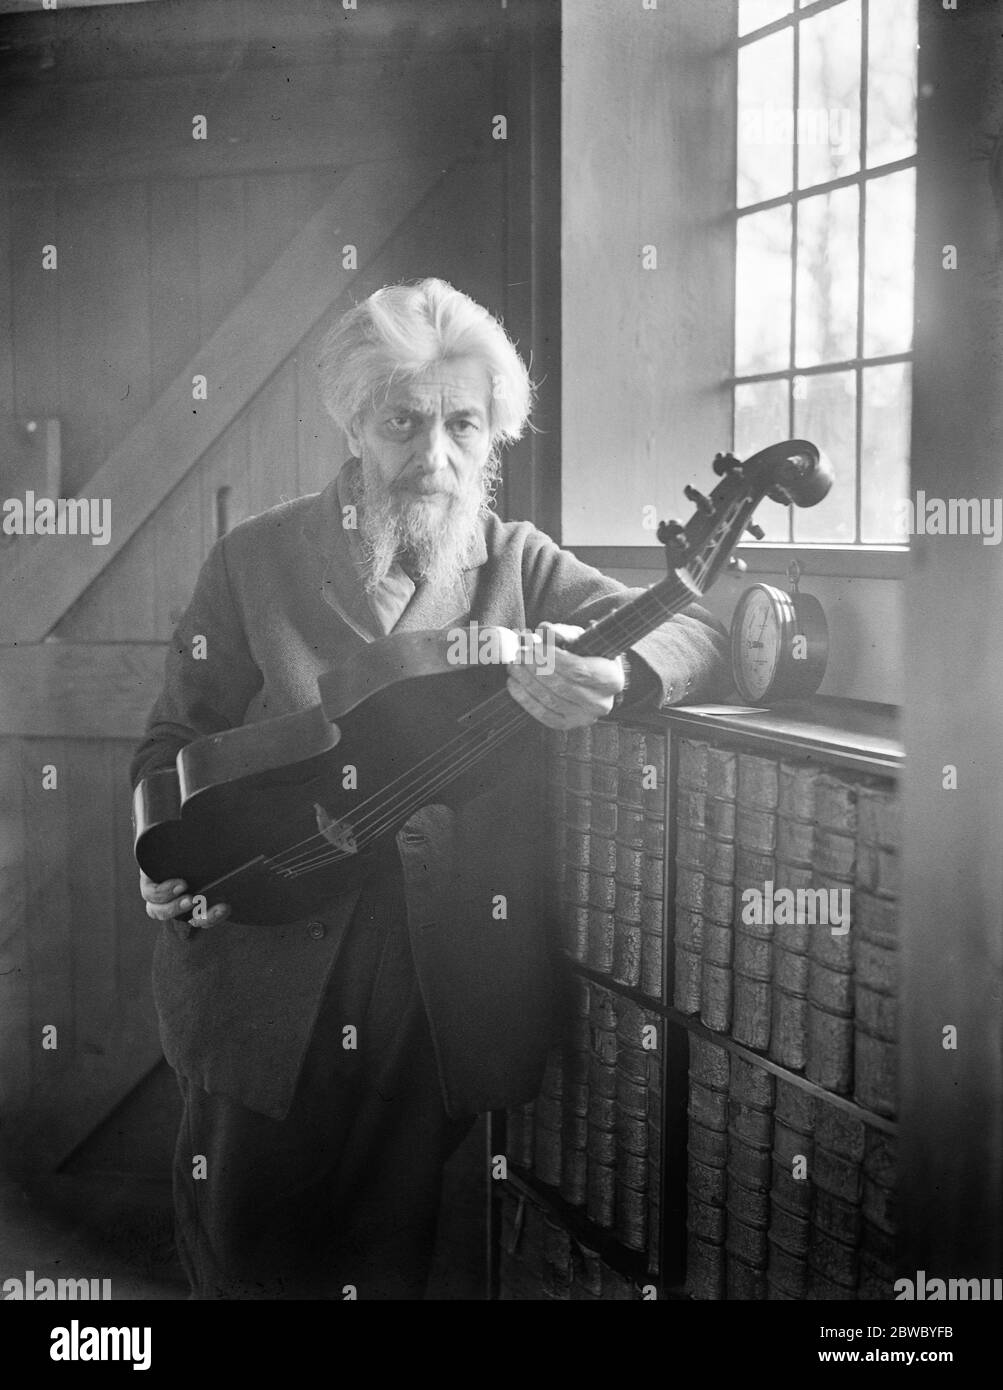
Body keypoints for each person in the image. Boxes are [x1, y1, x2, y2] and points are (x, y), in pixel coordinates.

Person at [132, 277, 731, 1299]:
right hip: (262, 958)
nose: (435, 456)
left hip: (433, 972)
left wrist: (618, 674)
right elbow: (170, 741)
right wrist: (158, 854)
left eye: (463, 426)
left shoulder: (520, 564)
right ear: (355, 426)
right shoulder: (252, 559)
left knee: (389, 1253)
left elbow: (697, 629)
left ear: (492, 436)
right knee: (245, 1251)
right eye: (404, 423)